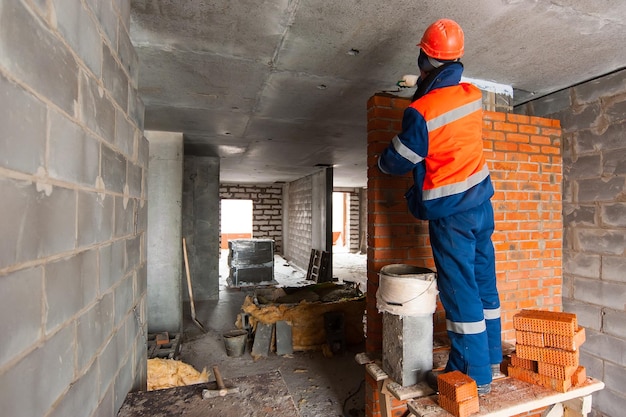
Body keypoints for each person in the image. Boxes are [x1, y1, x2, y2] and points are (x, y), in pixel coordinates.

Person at [378, 18, 502, 395]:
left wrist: (382, 159)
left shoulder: (422, 112)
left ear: (424, 57)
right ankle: (491, 354)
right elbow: (444, 116)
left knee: (458, 289)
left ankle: (472, 374)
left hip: (451, 213)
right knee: (483, 282)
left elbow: (400, 158)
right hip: (482, 204)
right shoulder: (471, 94)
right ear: (455, 60)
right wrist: (421, 90)